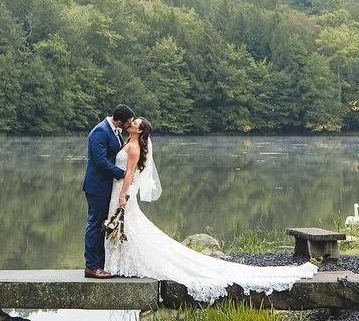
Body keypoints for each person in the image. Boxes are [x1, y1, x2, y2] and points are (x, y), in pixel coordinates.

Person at [104, 118, 317, 302]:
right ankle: (120, 264)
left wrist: (123, 195)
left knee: (129, 227)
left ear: (140, 130)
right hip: (117, 190)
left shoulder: (133, 147)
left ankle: (122, 265)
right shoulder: (127, 142)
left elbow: (130, 173)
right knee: (128, 228)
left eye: (136, 123)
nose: (132, 123)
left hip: (123, 192)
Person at [81, 104, 135, 278]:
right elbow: (101, 161)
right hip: (96, 186)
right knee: (95, 225)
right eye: (128, 123)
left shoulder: (114, 131)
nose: (130, 125)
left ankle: (100, 264)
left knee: (103, 225)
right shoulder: (100, 132)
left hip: (107, 186)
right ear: (119, 121)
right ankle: (91, 267)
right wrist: (123, 174)